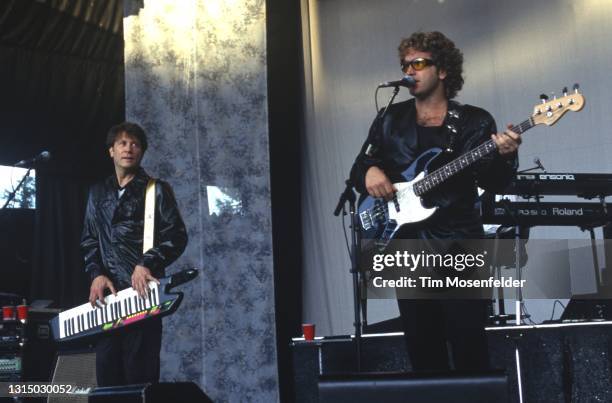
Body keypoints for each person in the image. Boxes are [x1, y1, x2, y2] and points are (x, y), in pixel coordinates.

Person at [350, 31, 521, 371]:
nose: (409, 71)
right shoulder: (389, 119)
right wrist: (368, 173)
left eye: (418, 63)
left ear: (442, 70)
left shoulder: (474, 120)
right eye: (405, 64)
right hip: (407, 247)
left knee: (470, 348)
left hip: (459, 245)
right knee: (423, 351)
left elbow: (493, 182)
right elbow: (358, 170)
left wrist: (504, 156)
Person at [81, 122, 188, 386]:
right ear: (111, 151)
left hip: (143, 298)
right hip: (109, 301)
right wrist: (96, 274)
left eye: (135, 144)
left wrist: (146, 263)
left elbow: (177, 236)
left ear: (141, 152)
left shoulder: (156, 190)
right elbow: (89, 240)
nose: (129, 148)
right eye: (123, 143)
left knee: (139, 378)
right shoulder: (97, 193)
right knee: (108, 377)